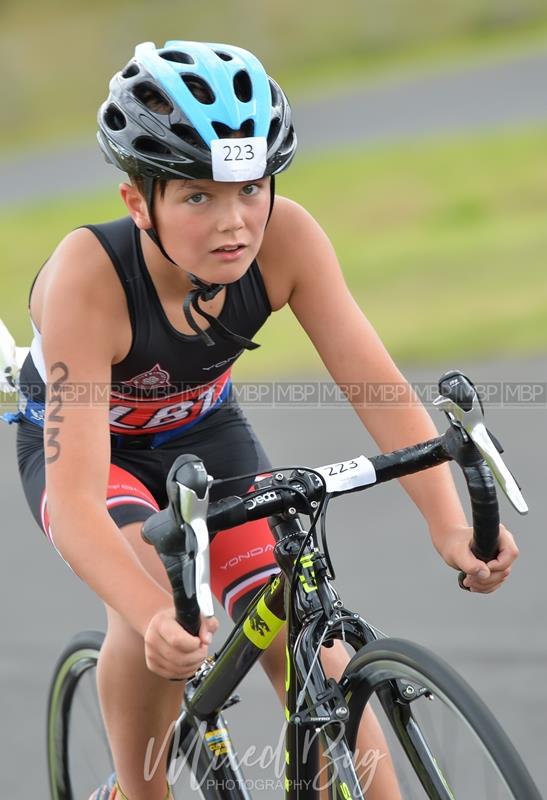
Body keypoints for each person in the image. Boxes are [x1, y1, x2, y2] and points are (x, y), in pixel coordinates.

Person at [9, 40, 519, 800]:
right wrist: (153, 614)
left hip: (202, 434)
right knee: (152, 594)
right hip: (93, 450)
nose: (234, 224)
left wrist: (447, 522)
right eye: (197, 197)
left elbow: (376, 388)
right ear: (135, 202)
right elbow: (79, 503)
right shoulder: (89, 278)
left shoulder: (288, 239)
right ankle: (141, 791)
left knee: (308, 641)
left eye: (251, 189)